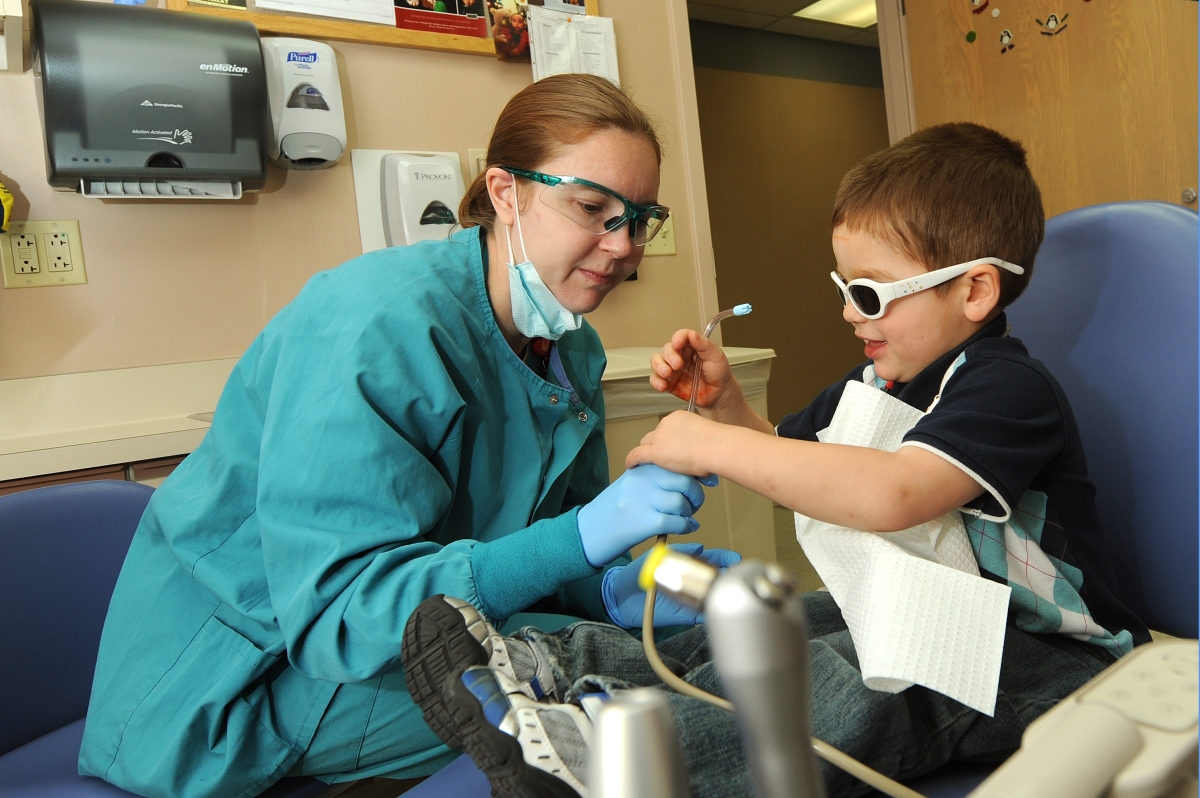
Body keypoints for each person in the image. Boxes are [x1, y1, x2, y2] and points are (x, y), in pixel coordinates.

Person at [400, 122, 1151, 798]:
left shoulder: (1008, 388)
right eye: (843, 289)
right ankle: (557, 666)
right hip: (942, 607)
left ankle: (608, 760)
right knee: (782, 625)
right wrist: (724, 406)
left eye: (869, 293)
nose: (850, 314)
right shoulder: (877, 386)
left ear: (976, 291)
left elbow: (896, 492)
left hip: (1051, 655)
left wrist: (713, 442)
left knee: (846, 684)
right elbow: (790, 459)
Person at [78, 74, 738, 798]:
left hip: (416, 635)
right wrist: (582, 538)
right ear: (505, 191)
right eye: (592, 208)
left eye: (641, 217)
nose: (624, 246)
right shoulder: (373, 327)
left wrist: (609, 588)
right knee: (627, 701)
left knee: (696, 644)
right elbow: (343, 618)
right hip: (240, 689)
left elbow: (533, 552)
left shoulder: (568, 349)